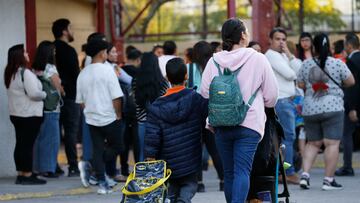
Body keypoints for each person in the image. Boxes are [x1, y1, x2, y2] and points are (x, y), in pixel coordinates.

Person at [200, 18, 278, 203]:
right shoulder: (258, 58)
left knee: (229, 173)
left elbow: (204, 92)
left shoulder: (214, 61)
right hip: (249, 123)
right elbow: (272, 96)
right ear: (243, 35)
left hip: (220, 123)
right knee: (242, 170)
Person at [145, 57, 208, 203]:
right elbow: (209, 115)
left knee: (171, 189)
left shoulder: (156, 107)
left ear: (167, 78)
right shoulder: (195, 99)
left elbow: (152, 136)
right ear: (187, 76)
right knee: (189, 185)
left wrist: (150, 156)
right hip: (191, 158)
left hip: (168, 160)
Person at [297, 33, 355, 190]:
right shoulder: (337, 63)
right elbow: (351, 81)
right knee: (332, 143)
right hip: (333, 108)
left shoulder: (306, 64)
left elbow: (300, 84)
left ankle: (305, 175)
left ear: (314, 47)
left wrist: (311, 87)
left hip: (310, 108)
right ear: (329, 47)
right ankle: (328, 180)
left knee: (313, 143)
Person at [76, 39, 124, 194]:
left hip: (91, 118)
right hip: (109, 116)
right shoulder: (107, 70)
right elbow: (116, 96)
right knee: (118, 146)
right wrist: (118, 114)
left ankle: (102, 183)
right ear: (102, 53)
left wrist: (89, 111)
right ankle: (93, 167)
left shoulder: (83, 73)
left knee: (98, 149)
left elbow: (81, 101)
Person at [4, 44, 47, 185]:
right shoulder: (25, 73)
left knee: (21, 144)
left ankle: (21, 173)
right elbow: (34, 94)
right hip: (29, 115)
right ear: (19, 56)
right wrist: (45, 94)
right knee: (27, 145)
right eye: (25, 52)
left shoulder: (10, 72)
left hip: (16, 114)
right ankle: (27, 175)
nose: (28, 54)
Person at [265, 27, 303, 184]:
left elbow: (301, 70)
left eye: (283, 39)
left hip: (288, 101)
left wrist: (288, 53)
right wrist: (290, 61)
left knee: (286, 138)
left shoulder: (283, 55)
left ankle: (284, 171)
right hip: (282, 100)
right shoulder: (271, 55)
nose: (281, 42)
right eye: (277, 39)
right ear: (270, 40)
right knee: (288, 137)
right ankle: (288, 172)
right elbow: (291, 74)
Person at [189, 41, 224, 192]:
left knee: (196, 148)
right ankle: (223, 180)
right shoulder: (216, 67)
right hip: (213, 109)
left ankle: (199, 183)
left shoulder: (189, 68)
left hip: (194, 111)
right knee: (214, 148)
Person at [52, 18, 81, 176]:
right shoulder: (69, 51)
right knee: (70, 133)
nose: (72, 31)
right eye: (70, 27)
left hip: (52, 98)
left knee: (53, 132)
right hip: (70, 97)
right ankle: (73, 166)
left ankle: (53, 166)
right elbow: (76, 75)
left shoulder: (50, 49)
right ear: (64, 31)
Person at [32, 41, 64, 178]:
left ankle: (38, 168)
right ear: (50, 53)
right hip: (52, 109)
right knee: (51, 140)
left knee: (39, 139)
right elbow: (58, 87)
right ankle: (48, 169)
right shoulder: (50, 68)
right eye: (54, 51)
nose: (55, 53)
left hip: (39, 107)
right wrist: (63, 91)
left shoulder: (35, 69)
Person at [132, 52, 169, 161]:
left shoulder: (136, 81)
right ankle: (159, 177)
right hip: (159, 123)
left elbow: (135, 101)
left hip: (142, 122)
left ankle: (142, 176)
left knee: (143, 153)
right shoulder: (163, 82)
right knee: (159, 153)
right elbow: (165, 104)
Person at [335, 33, 360, 177]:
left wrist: (351, 108)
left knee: (347, 135)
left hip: (354, 106)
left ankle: (348, 166)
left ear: (349, 46)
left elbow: (352, 88)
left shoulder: (351, 62)